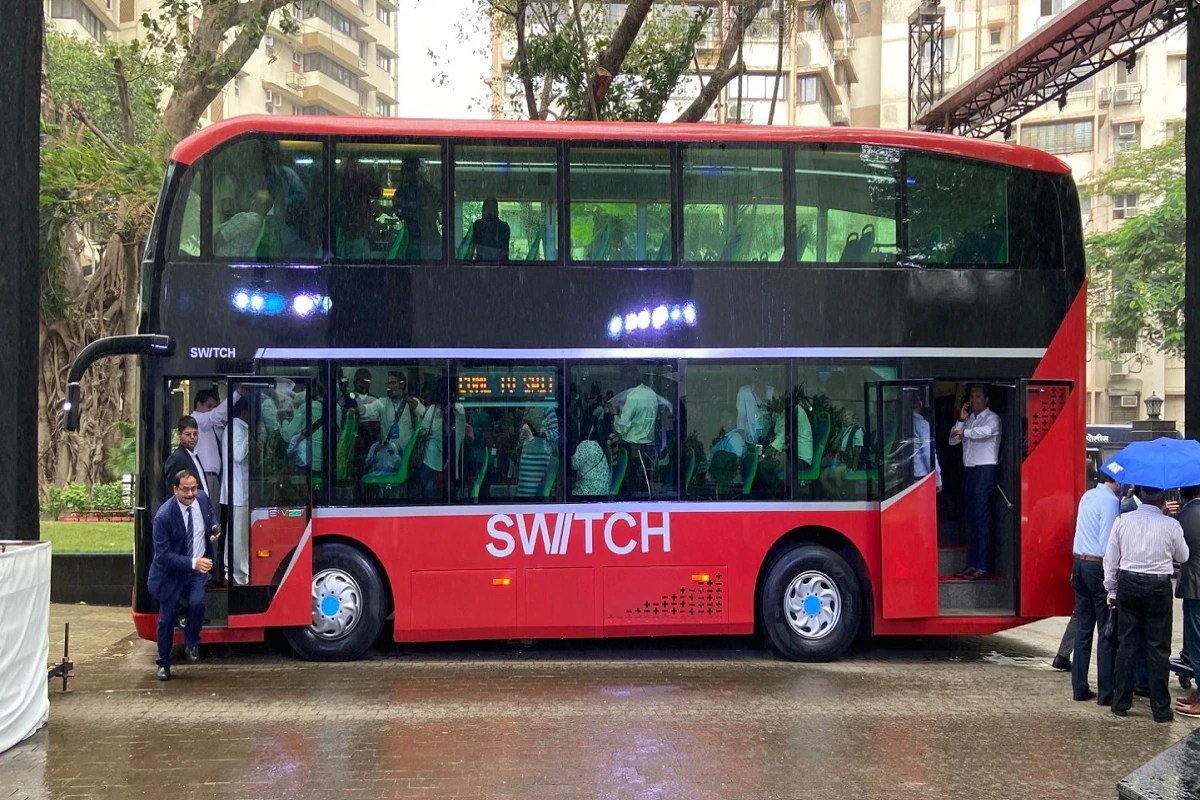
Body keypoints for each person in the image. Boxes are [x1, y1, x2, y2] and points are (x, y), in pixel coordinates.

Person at [1103, 486, 1189, 722]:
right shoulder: (1170, 524)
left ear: (1139, 495)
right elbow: (1183, 556)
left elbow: (1111, 559)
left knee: (1127, 643)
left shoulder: (1122, 520)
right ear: (1162, 498)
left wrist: (1111, 589)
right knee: (1158, 647)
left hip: (1128, 583)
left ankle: (1121, 702)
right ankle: (1160, 708)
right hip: (1159, 586)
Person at [147, 470, 218, 681]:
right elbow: (163, 556)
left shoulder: (202, 499)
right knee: (166, 620)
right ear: (175, 490)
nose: (190, 494)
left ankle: (192, 642)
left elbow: (210, 514)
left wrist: (214, 527)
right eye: (185, 490)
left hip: (196, 572)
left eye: (193, 489)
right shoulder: (163, 516)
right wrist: (193, 562)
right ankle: (163, 664)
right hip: (171, 574)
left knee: (198, 603)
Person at [1068, 473, 1121, 705]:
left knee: (1083, 629)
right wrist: (1113, 585)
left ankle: (1079, 687)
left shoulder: (1087, 496)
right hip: (1097, 567)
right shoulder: (1110, 502)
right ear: (1116, 481)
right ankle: (1106, 692)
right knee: (1106, 632)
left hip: (1079, 563)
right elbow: (1108, 544)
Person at [948, 384, 1001, 580]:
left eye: (978, 396)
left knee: (982, 519)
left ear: (986, 399)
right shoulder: (969, 419)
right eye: (971, 396)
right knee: (970, 519)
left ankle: (983, 566)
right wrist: (961, 421)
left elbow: (985, 432)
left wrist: (965, 433)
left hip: (985, 470)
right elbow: (952, 441)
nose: (973, 400)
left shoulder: (992, 418)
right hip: (969, 471)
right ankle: (971, 564)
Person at [610, 369, 661, 497]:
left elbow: (623, 426)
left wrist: (616, 415)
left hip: (632, 444)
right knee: (643, 482)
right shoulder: (652, 394)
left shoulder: (633, 396)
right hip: (648, 444)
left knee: (629, 485)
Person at [1174, 485, 1200, 716]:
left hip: (1195, 587)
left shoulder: (1187, 515)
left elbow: (1178, 552)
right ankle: (1198, 694)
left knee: (1197, 645)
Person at [222, 398, 250, 586]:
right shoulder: (236, 428)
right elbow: (239, 454)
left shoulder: (236, 428)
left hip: (240, 490)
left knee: (237, 535)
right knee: (238, 537)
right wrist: (253, 434)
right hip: (238, 491)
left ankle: (231, 572)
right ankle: (238, 576)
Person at [393, 156, 441, 259]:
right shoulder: (403, 191)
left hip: (429, 240)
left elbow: (440, 202)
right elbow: (398, 210)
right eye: (407, 170)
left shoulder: (427, 189)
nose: (411, 174)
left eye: (412, 169)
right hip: (413, 238)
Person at [163, 415, 213, 500]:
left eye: (195, 434)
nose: (192, 437)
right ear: (179, 434)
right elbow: (172, 491)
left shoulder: (194, 455)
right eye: (188, 434)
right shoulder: (177, 458)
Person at [465, 197, 510, 262]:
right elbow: (468, 249)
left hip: (496, 266)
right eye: (487, 210)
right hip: (481, 266)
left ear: (497, 212)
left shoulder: (503, 227)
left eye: (491, 210)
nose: (489, 214)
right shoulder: (477, 226)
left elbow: (504, 253)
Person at [911, 395, 942, 491]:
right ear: (918, 404)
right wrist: (937, 479)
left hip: (909, 476)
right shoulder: (922, 424)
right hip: (921, 477)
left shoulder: (905, 422)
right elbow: (928, 453)